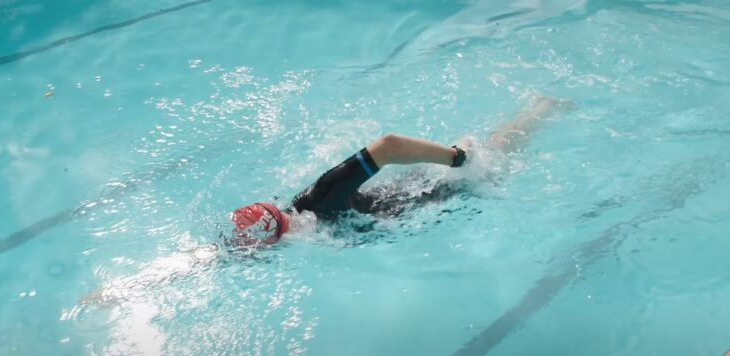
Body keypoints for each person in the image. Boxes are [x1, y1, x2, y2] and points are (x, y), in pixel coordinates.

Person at [231, 95, 567, 245]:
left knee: (495, 156)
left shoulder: (320, 200)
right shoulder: (306, 222)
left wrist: (458, 158)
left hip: (442, 189)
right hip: (418, 198)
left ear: (270, 238)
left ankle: (543, 109)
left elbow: (388, 145)